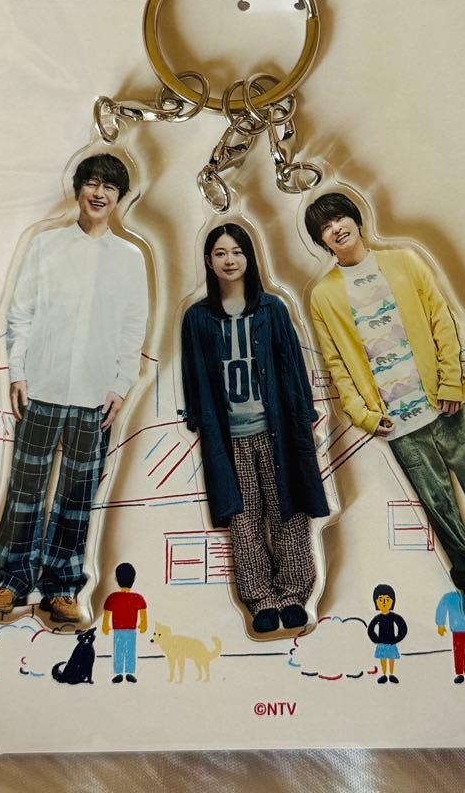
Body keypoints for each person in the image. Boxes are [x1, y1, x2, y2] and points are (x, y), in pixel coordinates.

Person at [304, 191, 465, 619]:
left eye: (339, 218)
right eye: (325, 227)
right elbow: (336, 362)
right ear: (321, 241)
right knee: (441, 507)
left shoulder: (404, 261)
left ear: (356, 219)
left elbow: (442, 320)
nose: (336, 229)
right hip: (396, 424)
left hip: (444, 403)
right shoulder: (324, 295)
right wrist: (363, 415)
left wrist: (452, 383)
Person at [0, 153, 149, 623]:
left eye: (109, 187)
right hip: (42, 387)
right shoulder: (46, 245)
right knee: (25, 488)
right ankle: (12, 581)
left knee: (77, 496)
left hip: (96, 397)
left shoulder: (130, 259)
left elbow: (133, 327)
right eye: (92, 183)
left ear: (119, 197)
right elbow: (22, 311)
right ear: (78, 189)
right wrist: (18, 372)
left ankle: (62, 588)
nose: (99, 193)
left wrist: (121, 384)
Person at [180, 222, 330, 634]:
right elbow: (193, 375)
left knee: (288, 508)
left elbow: (292, 365)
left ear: (249, 257)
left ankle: (294, 593)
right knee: (242, 517)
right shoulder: (197, 319)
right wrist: (199, 421)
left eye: (237, 252)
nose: (229, 260)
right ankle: (260, 597)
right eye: (220, 253)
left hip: (277, 431)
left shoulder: (272, 310)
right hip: (229, 439)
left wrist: (304, 414)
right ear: (208, 261)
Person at [102, 561, 148, 683]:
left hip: (120, 629)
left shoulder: (113, 597)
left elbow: (107, 613)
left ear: (116, 579)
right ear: (134, 579)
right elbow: (143, 612)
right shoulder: (137, 598)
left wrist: (105, 625)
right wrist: (143, 623)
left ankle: (122, 673)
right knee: (129, 650)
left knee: (119, 650)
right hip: (130, 629)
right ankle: (127, 672)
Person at [435, 589, 465, 684]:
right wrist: (440, 624)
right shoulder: (450, 597)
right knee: (458, 653)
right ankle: (460, 674)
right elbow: (442, 607)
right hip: (457, 630)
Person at [367, 583, 408, 684]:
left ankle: (391, 674)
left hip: (391, 642)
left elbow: (402, 626)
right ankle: (384, 674)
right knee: (383, 659)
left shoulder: (394, 617)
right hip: (381, 643)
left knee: (391, 658)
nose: (384, 602)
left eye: (387, 599)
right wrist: (376, 639)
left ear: (392, 601)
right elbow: (370, 629)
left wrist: (397, 638)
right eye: (381, 600)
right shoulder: (378, 618)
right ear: (376, 602)